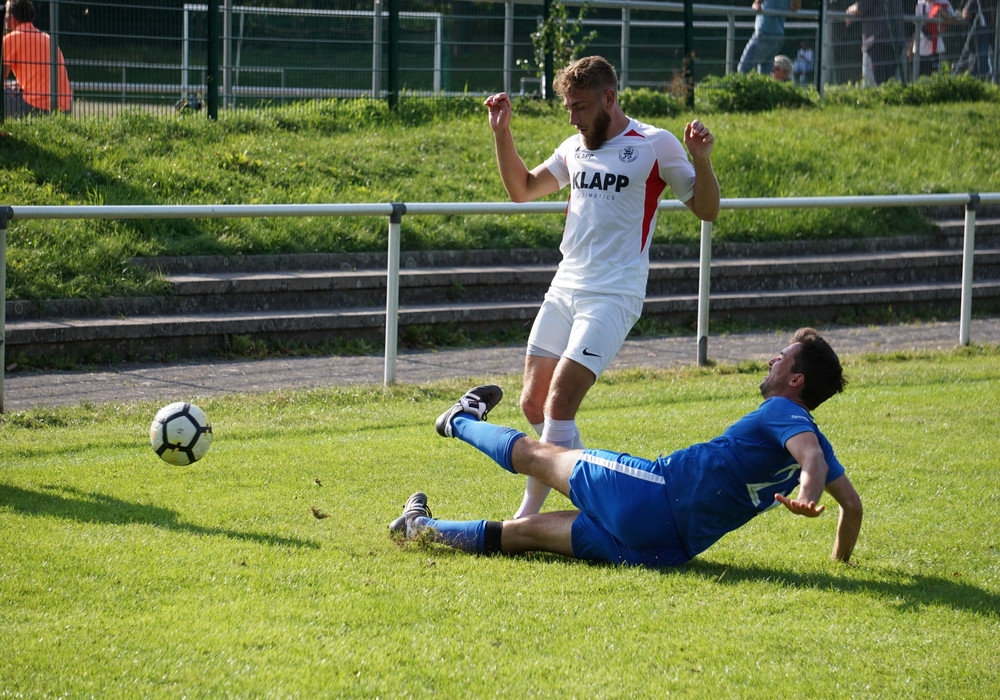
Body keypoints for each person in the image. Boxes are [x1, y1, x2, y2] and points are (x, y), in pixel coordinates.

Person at [390, 328, 864, 569]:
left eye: (781, 358)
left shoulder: (784, 412)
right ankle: (419, 529)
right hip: (666, 550)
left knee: (540, 455)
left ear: (795, 380)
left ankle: (459, 419)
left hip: (649, 494)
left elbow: (812, 461)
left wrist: (807, 491)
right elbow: (853, 507)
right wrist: (838, 565)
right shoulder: (812, 434)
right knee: (526, 534)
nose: (771, 359)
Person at [483, 56, 720, 519]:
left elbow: (706, 209)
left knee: (560, 400)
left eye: (580, 106)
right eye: (568, 107)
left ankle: (527, 516)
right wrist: (501, 132)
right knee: (532, 400)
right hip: (566, 284)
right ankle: (588, 486)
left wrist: (702, 161)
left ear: (609, 99)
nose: (572, 117)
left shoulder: (655, 144)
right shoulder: (575, 146)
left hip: (614, 294)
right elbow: (523, 188)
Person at [2, 0, 72, 117]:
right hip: (64, 109)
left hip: (35, 108)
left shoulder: (11, 39)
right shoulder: (47, 38)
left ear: (12, 18)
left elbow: (1, 78)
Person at [846, 0, 907, 86]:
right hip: (894, 40)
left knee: (877, 86)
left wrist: (850, 10)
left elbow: (862, 8)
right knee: (889, 84)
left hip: (877, 41)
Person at [737, 0, 802, 74]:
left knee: (743, 68)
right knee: (765, 73)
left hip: (764, 33)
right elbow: (795, 8)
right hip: (778, 36)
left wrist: (756, 5)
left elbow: (757, 4)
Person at [908, 0, 960, 77]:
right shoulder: (920, 3)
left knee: (934, 77)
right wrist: (911, 48)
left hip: (935, 48)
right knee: (919, 78)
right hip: (919, 49)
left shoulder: (943, 2)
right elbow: (916, 27)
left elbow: (956, 21)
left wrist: (945, 15)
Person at [960, 0, 995, 78]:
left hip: (980, 35)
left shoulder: (974, 1)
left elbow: (966, 14)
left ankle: (978, 82)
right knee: (981, 61)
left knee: (979, 64)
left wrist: (961, 13)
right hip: (987, 34)